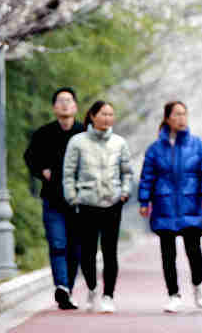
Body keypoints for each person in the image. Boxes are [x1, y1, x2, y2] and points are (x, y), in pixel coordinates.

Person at [138, 101, 202, 313]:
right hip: (164, 204)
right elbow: (147, 177)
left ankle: (198, 286)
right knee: (167, 253)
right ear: (168, 119)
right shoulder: (155, 149)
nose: (182, 118)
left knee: (193, 248)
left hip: (191, 202)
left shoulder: (198, 145)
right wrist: (144, 201)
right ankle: (173, 295)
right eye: (177, 114)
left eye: (184, 114)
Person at [62, 100, 132, 314]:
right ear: (92, 116)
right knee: (88, 252)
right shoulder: (77, 142)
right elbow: (68, 173)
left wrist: (124, 193)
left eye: (111, 114)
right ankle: (92, 288)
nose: (107, 118)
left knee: (110, 252)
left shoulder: (119, 143)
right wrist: (73, 198)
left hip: (112, 203)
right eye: (103, 114)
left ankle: (108, 295)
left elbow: (127, 172)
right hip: (87, 204)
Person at [23, 87, 84, 310]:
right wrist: (42, 172)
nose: (65, 105)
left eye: (69, 101)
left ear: (76, 106)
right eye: (60, 101)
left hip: (79, 201)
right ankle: (62, 287)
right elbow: (30, 157)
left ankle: (68, 288)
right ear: (54, 107)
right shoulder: (43, 133)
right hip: (53, 199)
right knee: (58, 244)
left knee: (75, 248)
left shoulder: (84, 132)